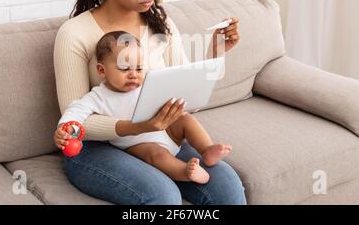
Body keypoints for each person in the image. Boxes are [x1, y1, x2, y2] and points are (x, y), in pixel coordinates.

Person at [53, 0, 245, 204]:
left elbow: (187, 100)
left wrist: (216, 51)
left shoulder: (160, 23)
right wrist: (137, 126)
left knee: (227, 186)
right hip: (93, 148)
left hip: (157, 136)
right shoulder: (74, 34)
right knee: (163, 196)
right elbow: (75, 123)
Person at [57, 31, 232, 185]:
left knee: (186, 120)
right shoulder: (98, 97)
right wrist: (64, 130)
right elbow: (75, 110)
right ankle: (186, 172)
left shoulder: (149, 83)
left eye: (139, 68)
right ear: (102, 70)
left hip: (168, 131)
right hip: (139, 143)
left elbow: (178, 93)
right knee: (156, 155)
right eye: (124, 68)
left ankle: (206, 150)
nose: (133, 74)